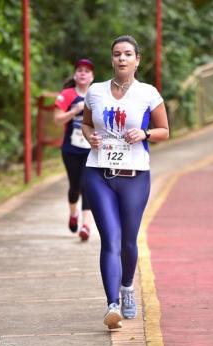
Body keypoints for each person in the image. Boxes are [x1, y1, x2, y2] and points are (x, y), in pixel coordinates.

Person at [82, 35, 169, 330]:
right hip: (98, 174)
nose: (121, 58)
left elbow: (164, 131)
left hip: (134, 177)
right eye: (117, 53)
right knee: (111, 239)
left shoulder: (148, 93)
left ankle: (127, 287)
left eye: (127, 54)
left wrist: (145, 134)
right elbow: (85, 123)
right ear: (111, 59)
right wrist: (88, 136)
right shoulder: (95, 91)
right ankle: (112, 305)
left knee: (129, 242)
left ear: (137, 60)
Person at [54, 58, 94, 240]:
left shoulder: (97, 94)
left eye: (87, 71)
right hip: (70, 149)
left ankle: (85, 225)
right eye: (80, 70)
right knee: (75, 186)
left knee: (87, 184)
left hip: (90, 148)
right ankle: (73, 214)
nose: (83, 73)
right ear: (75, 75)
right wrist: (74, 111)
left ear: (92, 76)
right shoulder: (67, 94)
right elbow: (57, 119)